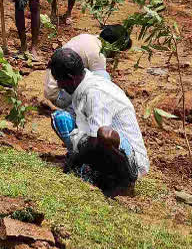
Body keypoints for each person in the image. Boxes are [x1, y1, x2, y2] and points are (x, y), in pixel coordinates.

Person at [48, 48, 149, 195]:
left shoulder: (95, 93)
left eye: (59, 81)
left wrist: (74, 161)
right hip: (99, 145)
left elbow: (96, 139)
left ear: (71, 78)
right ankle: (91, 170)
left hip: (130, 160)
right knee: (60, 119)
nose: (59, 85)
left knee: (104, 135)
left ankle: (120, 183)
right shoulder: (82, 85)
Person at [43, 25, 132, 111]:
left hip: (52, 88)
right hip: (58, 95)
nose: (118, 54)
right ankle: (73, 111)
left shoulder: (89, 38)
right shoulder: (98, 54)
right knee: (103, 79)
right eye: (119, 51)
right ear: (114, 46)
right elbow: (101, 86)